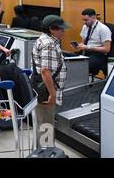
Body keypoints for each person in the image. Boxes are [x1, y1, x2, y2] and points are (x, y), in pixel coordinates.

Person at [32, 15, 68, 147]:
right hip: (46, 89)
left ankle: (43, 150)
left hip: (42, 87)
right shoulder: (49, 45)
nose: (64, 31)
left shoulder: (44, 39)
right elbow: (45, 71)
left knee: (43, 123)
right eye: (61, 29)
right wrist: (52, 94)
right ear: (52, 29)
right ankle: (45, 153)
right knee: (46, 124)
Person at [74, 9, 112, 77]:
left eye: (86, 20)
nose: (84, 22)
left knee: (82, 66)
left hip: (98, 55)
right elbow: (83, 42)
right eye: (83, 20)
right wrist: (79, 45)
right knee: (70, 61)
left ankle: (82, 84)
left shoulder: (103, 29)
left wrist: (89, 47)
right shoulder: (85, 27)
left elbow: (107, 49)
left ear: (94, 17)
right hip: (86, 51)